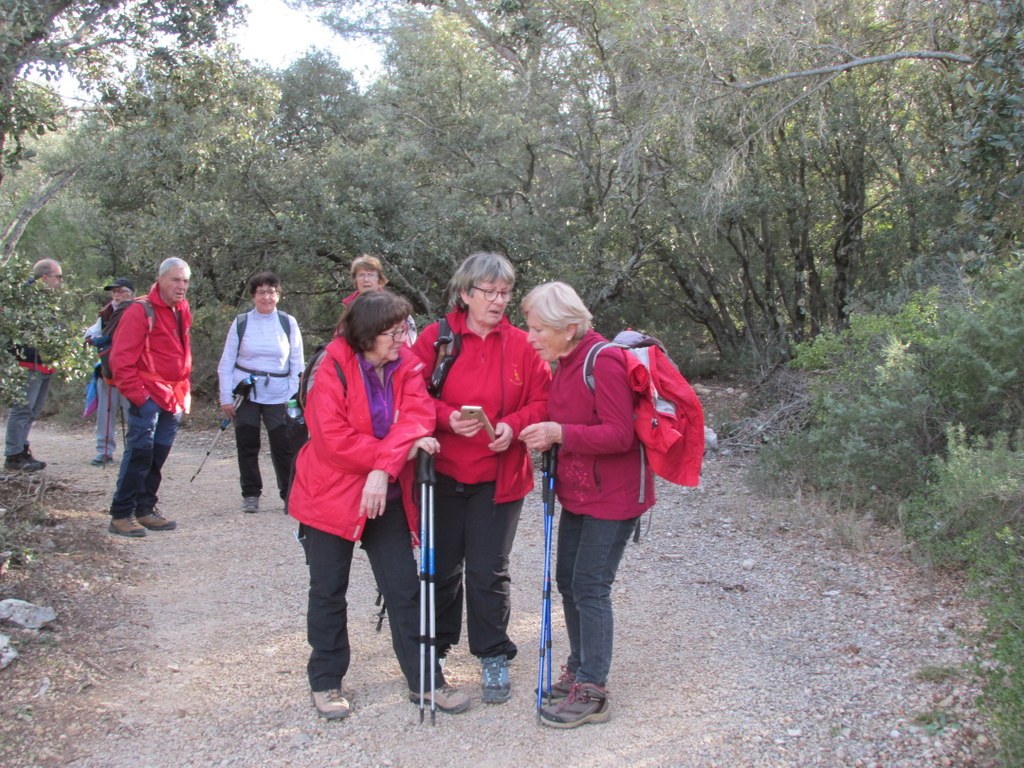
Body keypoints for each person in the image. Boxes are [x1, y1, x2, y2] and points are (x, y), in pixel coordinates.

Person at [289, 290, 470, 719]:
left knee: (405, 590)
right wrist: (394, 457)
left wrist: (381, 470)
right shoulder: (330, 364)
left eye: (404, 328)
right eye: (393, 332)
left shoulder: (405, 363)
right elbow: (331, 440)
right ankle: (326, 680)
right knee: (328, 590)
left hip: (383, 495)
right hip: (328, 496)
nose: (403, 338)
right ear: (367, 335)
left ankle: (425, 679)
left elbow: (419, 417)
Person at [410, 251, 550, 705]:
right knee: (443, 568)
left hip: (501, 475)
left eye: (505, 292)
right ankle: (439, 648)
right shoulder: (436, 338)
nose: (498, 300)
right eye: (488, 292)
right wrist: (447, 418)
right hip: (444, 473)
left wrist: (512, 428)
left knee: (490, 570)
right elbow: (407, 396)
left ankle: (492, 653)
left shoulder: (524, 344)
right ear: (465, 293)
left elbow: (544, 402)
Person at [519, 281, 654, 729]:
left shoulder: (605, 361)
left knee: (591, 586)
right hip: (579, 491)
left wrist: (559, 433)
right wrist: (547, 430)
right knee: (568, 582)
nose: (530, 336)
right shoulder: (565, 362)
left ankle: (593, 690)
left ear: (570, 327)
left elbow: (620, 434)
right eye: (530, 327)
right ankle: (578, 670)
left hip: (613, 497)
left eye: (539, 328)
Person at [106, 258, 192, 538]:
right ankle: (121, 514)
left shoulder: (182, 309)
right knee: (140, 453)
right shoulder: (140, 310)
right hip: (149, 395)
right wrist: (141, 397)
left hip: (173, 395)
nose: (181, 286)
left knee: (158, 454)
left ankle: (145, 509)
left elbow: (182, 351)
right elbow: (121, 361)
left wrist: (185, 388)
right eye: (176, 280)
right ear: (160, 279)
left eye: (185, 281)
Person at [217, 272, 304, 513]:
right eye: (261, 292)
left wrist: (294, 397)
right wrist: (226, 396)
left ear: (279, 295)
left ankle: (289, 494)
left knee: (283, 445)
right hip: (246, 392)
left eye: (271, 291)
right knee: (247, 443)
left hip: (279, 394)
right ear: (254, 296)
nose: (267, 296)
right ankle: (251, 494)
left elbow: (297, 362)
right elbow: (227, 362)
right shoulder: (241, 322)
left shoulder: (288, 323)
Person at [4, 259, 63, 472]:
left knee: (32, 410)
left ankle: (21, 449)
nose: (60, 281)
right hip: (27, 363)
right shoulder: (24, 298)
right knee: (22, 409)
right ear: (45, 277)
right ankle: (13, 455)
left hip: (45, 364)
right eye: (58, 276)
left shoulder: (46, 299)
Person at [83, 278, 135, 466]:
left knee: (133, 415)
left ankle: (134, 451)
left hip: (132, 372)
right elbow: (90, 333)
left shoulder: (139, 311)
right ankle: (104, 451)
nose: (117, 296)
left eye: (121, 291)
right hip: (108, 371)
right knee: (105, 413)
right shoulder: (105, 314)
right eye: (114, 292)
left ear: (131, 293)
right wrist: (94, 339)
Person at [342, 254, 417, 344]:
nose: (366, 279)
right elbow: (340, 336)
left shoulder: (392, 305)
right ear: (355, 280)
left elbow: (407, 338)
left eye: (371, 275)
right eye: (361, 275)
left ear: (379, 280)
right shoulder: (350, 306)